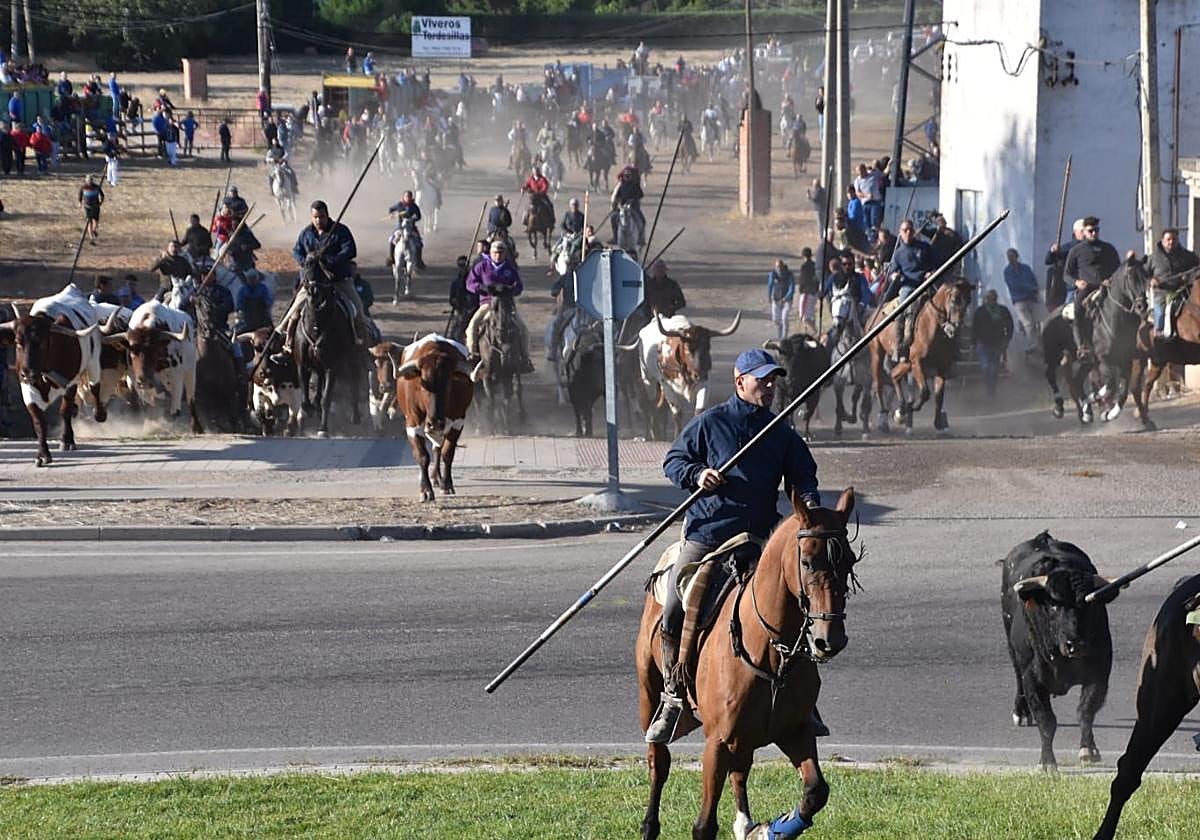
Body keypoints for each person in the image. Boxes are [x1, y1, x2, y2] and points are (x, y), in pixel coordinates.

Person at [648, 347, 821, 744]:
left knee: (802, 604)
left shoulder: (781, 433)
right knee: (675, 605)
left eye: (774, 379)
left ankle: (804, 701)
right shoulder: (710, 424)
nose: (770, 386)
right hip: (709, 537)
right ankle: (674, 693)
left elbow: (804, 477)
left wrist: (810, 502)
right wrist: (698, 474)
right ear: (740, 381)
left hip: (760, 540)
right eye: (763, 379)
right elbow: (673, 461)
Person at [272, 200, 371, 363]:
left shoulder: (340, 231)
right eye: (316, 217)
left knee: (357, 310)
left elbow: (350, 250)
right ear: (312, 217)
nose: (319, 220)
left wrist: (331, 260)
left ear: (327, 215)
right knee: (294, 312)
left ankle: (362, 348)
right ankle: (288, 346)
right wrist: (306, 261)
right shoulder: (306, 234)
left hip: (337, 280)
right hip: (313, 282)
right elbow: (297, 251)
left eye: (322, 217)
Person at [464, 239, 535, 375]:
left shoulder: (510, 268)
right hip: (487, 304)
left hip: (507, 306)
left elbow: (519, 286)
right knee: (472, 326)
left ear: (505, 254)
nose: (498, 255)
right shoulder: (481, 266)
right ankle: (473, 354)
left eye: (501, 253)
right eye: (495, 253)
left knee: (523, 329)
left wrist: (509, 289)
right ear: (490, 253)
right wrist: (482, 288)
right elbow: (470, 283)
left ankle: (525, 359)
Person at [1063, 215, 1120, 357]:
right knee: (1078, 312)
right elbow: (1066, 274)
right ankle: (1081, 346)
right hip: (1087, 289)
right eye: (1090, 231)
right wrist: (1077, 282)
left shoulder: (1108, 249)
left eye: (1096, 230)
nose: (1094, 233)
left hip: (1106, 288)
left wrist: (1111, 280)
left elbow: (1118, 270)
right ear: (1084, 232)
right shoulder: (1076, 251)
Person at [886, 218, 934, 362]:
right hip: (908, 286)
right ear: (900, 233)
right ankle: (899, 346)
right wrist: (894, 275)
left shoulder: (924, 247)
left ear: (914, 232)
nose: (908, 233)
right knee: (901, 312)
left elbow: (934, 263)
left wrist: (931, 271)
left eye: (910, 230)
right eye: (905, 230)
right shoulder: (898, 253)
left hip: (925, 284)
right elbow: (891, 272)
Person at [1148, 227, 1200, 337]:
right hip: (1163, 295)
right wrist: (1151, 280)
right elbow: (1143, 274)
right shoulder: (1153, 258)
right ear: (1162, 240)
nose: (1171, 242)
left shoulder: (1187, 256)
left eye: (1174, 239)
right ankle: (1160, 337)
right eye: (1169, 239)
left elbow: (1197, 269)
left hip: (1184, 292)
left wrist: (1189, 277)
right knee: (1161, 315)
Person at [973, 289, 1014, 398]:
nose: (990, 300)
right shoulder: (980, 311)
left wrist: (1007, 339)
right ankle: (988, 389)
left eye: (992, 298)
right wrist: (974, 342)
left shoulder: (1002, 310)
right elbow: (975, 327)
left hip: (997, 344)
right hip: (983, 344)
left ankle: (992, 391)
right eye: (988, 298)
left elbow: (1010, 325)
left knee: (994, 369)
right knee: (986, 367)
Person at [1002, 248, 1041, 347]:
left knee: (1038, 321)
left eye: (1012, 256)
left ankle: (1039, 343)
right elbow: (1014, 284)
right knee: (1028, 323)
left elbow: (1033, 279)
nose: (1010, 258)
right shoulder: (1007, 271)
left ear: (1017, 256)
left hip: (1032, 298)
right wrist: (1029, 287)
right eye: (1008, 257)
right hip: (1019, 300)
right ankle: (1031, 344)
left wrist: (1035, 289)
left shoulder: (1026, 268)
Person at [1044, 219, 1083, 311]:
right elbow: (1049, 261)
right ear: (1075, 232)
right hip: (1072, 287)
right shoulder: (1068, 248)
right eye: (1082, 231)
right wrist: (1052, 252)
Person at [387, 190, 426, 270]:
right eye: (406, 197)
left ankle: (419, 260)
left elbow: (419, 216)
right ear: (403, 197)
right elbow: (391, 209)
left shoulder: (414, 206)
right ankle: (391, 258)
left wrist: (413, 219)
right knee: (391, 239)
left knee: (419, 243)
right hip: (400, 228)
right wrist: (392, 214)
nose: (408, 198)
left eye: (409, 197)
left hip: (411, 228)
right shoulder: (399, 205)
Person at [610, 165, 645, 245]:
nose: (627, 177)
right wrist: (618, 203)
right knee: (613, 218)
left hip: (633, 207)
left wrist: (632, 200)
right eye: (625, 175)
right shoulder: (620, 185)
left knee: (642, 220)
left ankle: (641, 238)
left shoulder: (635, 185)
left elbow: (640, 195)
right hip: (621, 207)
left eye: (629, 175)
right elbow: (617, 196)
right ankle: (615, 237)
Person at [766, 259, 795, 341]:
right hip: (776, 299)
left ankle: (784, 337)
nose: (779, 269)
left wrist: (786, 297)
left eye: (780, 267)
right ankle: (780, 334)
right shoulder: (773, 274)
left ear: (783, 266)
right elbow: (770, 285)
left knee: (784, 318)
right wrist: (769, 296)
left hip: (787, 300)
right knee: (776, 320)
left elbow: (791, 288)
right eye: (777, 267)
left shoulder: (789, 274)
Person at [795, 247, 819, 332]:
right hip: (814, 293)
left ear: (803, 256)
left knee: (804, 317)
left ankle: (816, 331)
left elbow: (802, 279)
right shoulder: (815, 265)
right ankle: (810, 332)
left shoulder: (804, 266)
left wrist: (801, 289)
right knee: (810, 314)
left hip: (806, 293)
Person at [79, 174, 104, 244]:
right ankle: (91, 238)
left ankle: (93, 230)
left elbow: (102, 195)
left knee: (95, 221)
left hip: (95, 207)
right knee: (89, 222)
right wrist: (80, 203)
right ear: (86, 180)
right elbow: (80, 195)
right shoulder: (83, 187)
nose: (89, 182)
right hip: (87, 207)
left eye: (90, 180)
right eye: (88, 180)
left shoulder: (96, 187)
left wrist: (101, 202)